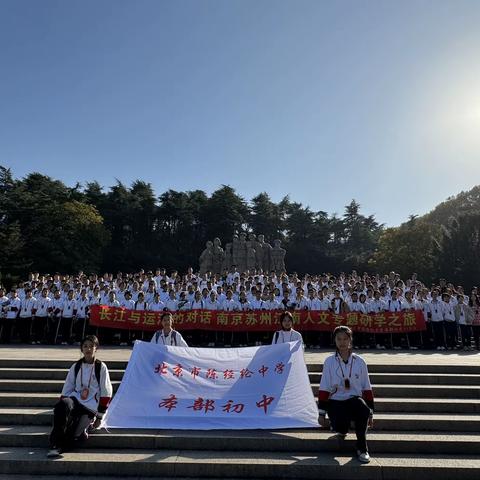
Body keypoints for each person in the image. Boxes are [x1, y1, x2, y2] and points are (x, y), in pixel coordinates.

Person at [47, 335, 113, 458]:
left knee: (74, 436)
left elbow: (106, 391)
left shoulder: (101, 367)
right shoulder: (76, 366)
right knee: (62, 405)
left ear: (96, 348)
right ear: (81, 349)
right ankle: (55, 444)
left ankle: (78, 433)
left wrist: (99, 416)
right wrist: (63, 408)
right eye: (85, 346)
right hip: (76, 399)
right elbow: (67, 387)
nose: (88, 349)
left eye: (91, 346)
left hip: (91, 406)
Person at [318, 325, 374, 464]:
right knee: (340, 426)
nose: (342, 342)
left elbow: (367, 387)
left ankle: (362, 448)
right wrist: (321, 413)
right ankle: (340, 428)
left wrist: (370, 413)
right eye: (339, 339)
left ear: (350, 340)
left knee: (363, 408)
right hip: (336, 401)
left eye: (345, 339)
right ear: (335, 341)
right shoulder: (329, 362)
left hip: (354, 400)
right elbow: (324, 387)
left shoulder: (360, 362)